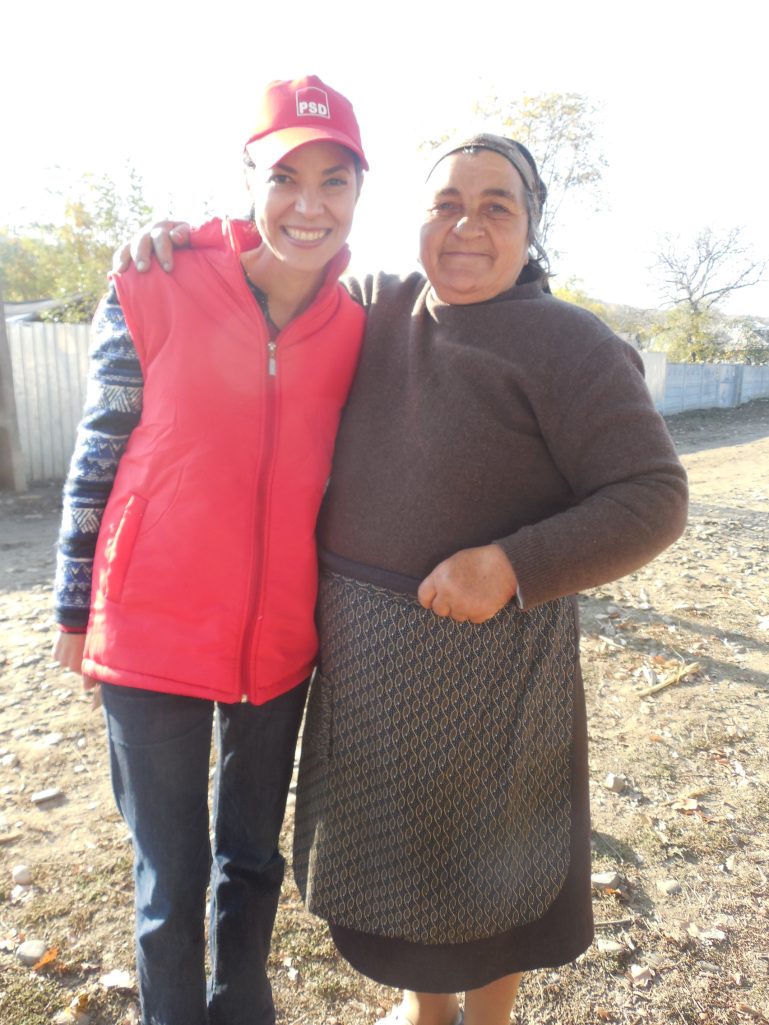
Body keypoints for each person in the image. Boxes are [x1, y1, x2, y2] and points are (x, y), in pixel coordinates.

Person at [125, 133, 688, 1025]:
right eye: (445, 204)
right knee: (403, 860)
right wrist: (187, 242)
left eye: (495, 206)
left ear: (531, 227)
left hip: (493, 660)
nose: (467, 226)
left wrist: (511, 565)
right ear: (417, 219)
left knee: (495, 855)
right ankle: (428, 1009)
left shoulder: (571, 344)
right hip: (367, 667)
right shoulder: (373, 306)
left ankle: (488, 1017)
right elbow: (273, 274)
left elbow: (653, 496)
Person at [52, 75, 368, 1025]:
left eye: (334, 180)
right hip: (150, 629)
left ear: (360, 190)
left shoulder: (358, 325)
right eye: (284, 177)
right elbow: (98, 450)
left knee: (252, 858)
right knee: (171, 875)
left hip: (277, 644)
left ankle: (241, 1006)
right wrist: (74, 608)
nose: (308, 204)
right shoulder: (153, 282)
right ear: (248, 180)